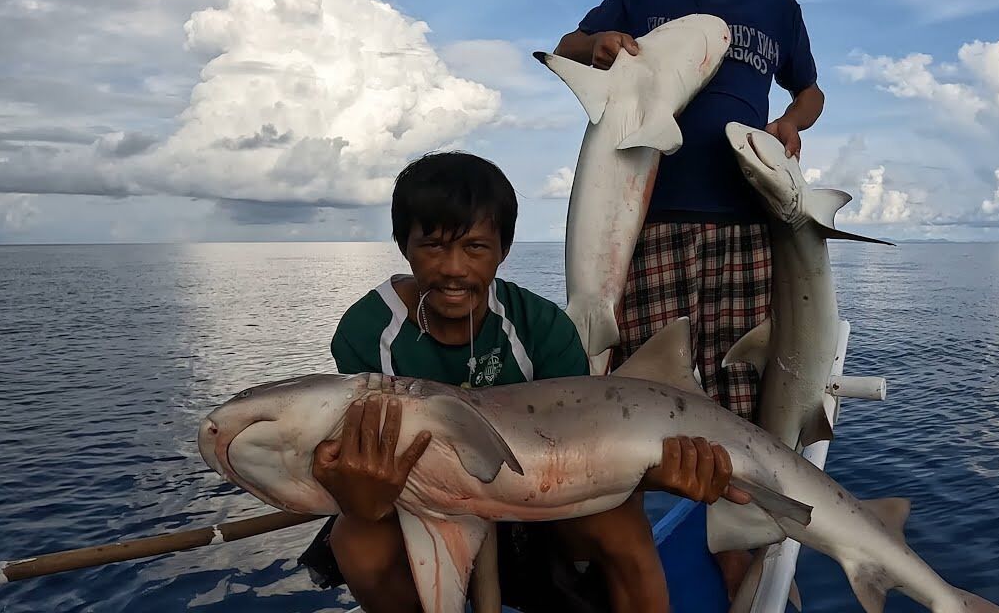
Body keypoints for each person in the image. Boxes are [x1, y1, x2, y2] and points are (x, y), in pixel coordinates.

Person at [297, 151, 748, 613]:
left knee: (622, 525)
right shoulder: (367, 330)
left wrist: (656, 474)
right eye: (433, 245)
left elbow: (590, 440)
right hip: (423, 492)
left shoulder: (540, 326)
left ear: (504, 250)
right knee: (356, 544)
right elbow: (362, 445)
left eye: (474, 247)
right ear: (403, 245)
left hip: (541, 491)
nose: (454, 267)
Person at [552, 0, 824, 595]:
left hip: (746, 224)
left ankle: (739, 556)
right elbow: (568, 47)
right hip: (651, 223)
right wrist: (600, 46)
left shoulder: (776, 4)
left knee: (741, 391)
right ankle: (620, 546)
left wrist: (791, 123)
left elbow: (811, 90)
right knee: (637, 386)